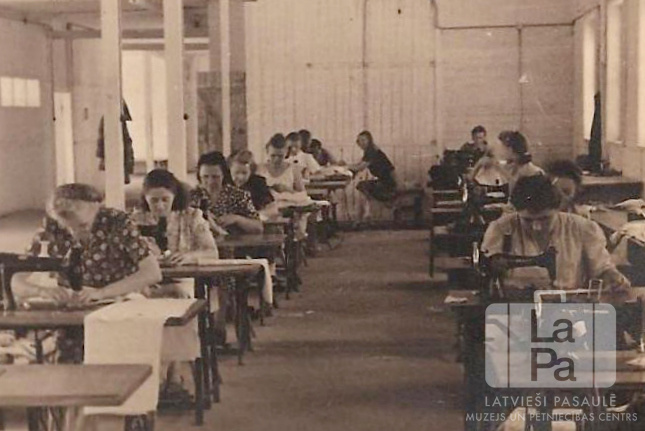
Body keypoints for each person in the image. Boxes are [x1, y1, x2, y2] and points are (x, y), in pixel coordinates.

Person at [15, 183, 162, 304]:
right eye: (67, 227)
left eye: (83, 226)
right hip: (76, 302)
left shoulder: (117, 223)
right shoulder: (51, 228)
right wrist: (41, 291)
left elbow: (152, 273)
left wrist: (101, 293)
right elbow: (14, 280)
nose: (74, 234)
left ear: (96, 208)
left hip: (120, 298)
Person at [481, 175, 630, 291]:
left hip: (571, 311)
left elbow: (602, 269)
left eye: (545, 219)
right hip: (514, 309)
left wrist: (612, 277)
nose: (537, 227)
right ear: (516, 211)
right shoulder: (500, 229)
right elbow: (487, 269)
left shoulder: (584, 229)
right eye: (527, 220)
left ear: (558, 209)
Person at [131, 169, 217, 267]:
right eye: (154, 200)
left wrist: (189, 257)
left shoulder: (192, 216)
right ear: (145, 199)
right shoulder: (135, 220)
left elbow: (212, 252)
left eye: (165, 200)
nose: (160, 206)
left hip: (184, 274)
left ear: (174, 196)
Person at [190, 151, 263, 235]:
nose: (210, 182)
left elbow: (258, 228)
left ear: (224, 175)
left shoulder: (239, 196)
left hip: (233, 242)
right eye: (205, 177)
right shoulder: (191, 197)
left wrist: (237, 219)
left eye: (215, 177)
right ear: (199, 176)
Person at [349, 131, 397, 221]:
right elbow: (360, 164)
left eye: (364, 140)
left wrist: (345, 167)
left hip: (388, 182)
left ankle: (370, 211)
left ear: (369, 140)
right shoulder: (371, 150)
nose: (361, 143)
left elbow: (360, 167)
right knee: (362, 187)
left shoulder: (371, 151)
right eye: (359, 140)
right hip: (386, 180)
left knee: (362, 186)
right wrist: (348, 166)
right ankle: (368, 212)